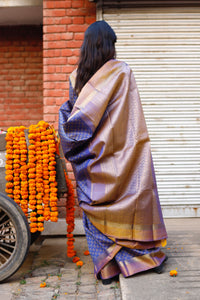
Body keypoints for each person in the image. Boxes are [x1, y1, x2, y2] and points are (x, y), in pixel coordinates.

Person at [59, 20, 168, 285]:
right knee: (136, 199)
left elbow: (75, 121)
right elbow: (131, 119)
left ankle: (107, 269)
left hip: (92, 164)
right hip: (124, 157)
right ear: (109, 46)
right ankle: (142, 259)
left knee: (95, 209)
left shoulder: (77, 78)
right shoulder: (122, 72)